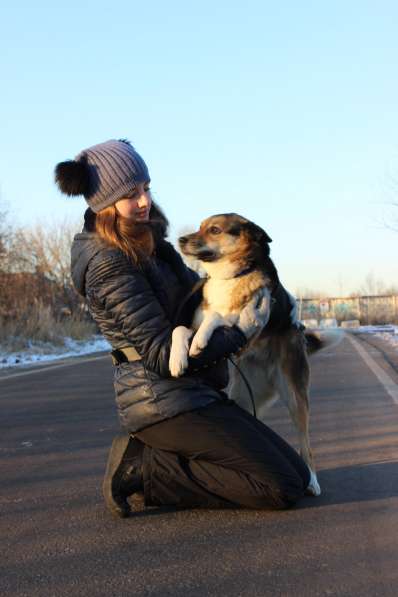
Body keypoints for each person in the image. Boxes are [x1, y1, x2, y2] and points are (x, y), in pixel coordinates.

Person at [55, 138, 311, 518]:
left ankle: (171, 460)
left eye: (145, 188)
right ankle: (145, 468)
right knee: (282, 487)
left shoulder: (153, 244)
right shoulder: (108, 263)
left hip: (195, 393)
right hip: (161, 403)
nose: (143, 200)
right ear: (105, 203)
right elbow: (161, 356)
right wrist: (241, 331)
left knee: (300, 475)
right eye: (130, 194)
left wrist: (270, 297)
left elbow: (202, 291)